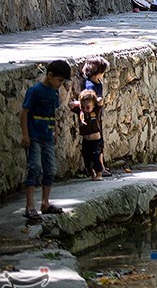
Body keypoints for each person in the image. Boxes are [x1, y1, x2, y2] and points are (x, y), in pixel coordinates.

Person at [20, 59, 72, 222]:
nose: (60, 84)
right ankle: (30, 206)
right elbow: (24, 112)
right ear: (49, 75)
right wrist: (25, 134)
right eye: (60, 80)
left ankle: (45, 203)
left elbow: (51, 114)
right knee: (35, 168)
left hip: (47, 136)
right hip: (34, 136)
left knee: (50, 169)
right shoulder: (35, 91)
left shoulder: (54, 93)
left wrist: (54, 130)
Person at [81, 56, 112, 177]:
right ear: (98, 72)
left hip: (98, 116)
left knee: (100, 143)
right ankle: (100, 167)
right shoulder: (90, 85)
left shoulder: (97, 82)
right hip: (92, 119)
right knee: (96, 145)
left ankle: (101, 165)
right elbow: (90, 100)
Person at [68, 89, 105, 181]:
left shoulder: (96, 110)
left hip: (96, 141)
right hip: (86, 140)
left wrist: (95, 100)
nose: (85, 109)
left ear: (93, 105)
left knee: (95, 157)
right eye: (83, 107)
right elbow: (70, 104)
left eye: (88, 107)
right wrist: (79, 103)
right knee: (86, 158)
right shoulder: (80, 111)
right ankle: (91, 172)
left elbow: (101, 101)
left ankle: (99, 173)